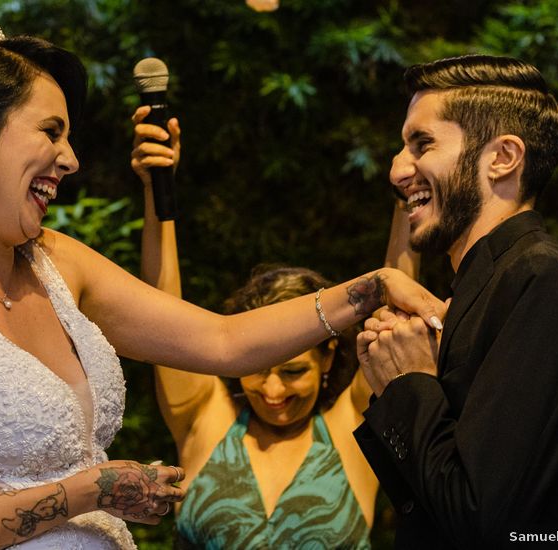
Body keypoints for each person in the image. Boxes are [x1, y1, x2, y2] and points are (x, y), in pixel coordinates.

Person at [0, 16, 444, 549]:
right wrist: (87, 491)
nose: (71, 159)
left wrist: (373, 287)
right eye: (51, 132)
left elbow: (223, 342)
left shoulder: (57, 262)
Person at [353, 55, 558, 548]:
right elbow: (429, 503)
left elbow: (479, 517)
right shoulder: (480, 287)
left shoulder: (543, 277)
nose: (397, 170)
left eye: (422, 144)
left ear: (502, 157)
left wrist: (408, 383)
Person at [131, 106, 420, 548]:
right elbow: (160, 311)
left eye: (292, 371)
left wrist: (406, 202)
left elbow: (394, 304)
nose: (273, 391)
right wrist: (157, 190)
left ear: (328, 357)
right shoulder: (203, 420)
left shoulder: (351, 431)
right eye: (259, 368)